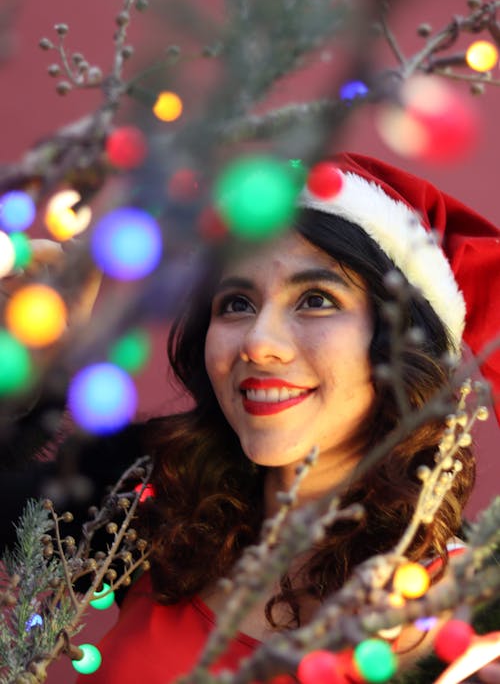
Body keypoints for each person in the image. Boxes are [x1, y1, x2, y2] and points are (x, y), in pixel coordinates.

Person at [1, 153, 499, 683]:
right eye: (236, 303)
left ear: (400, 343)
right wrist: (27, 361)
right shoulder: (158, 497)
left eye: (315, 299)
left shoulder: (464, 615)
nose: (259, 343)